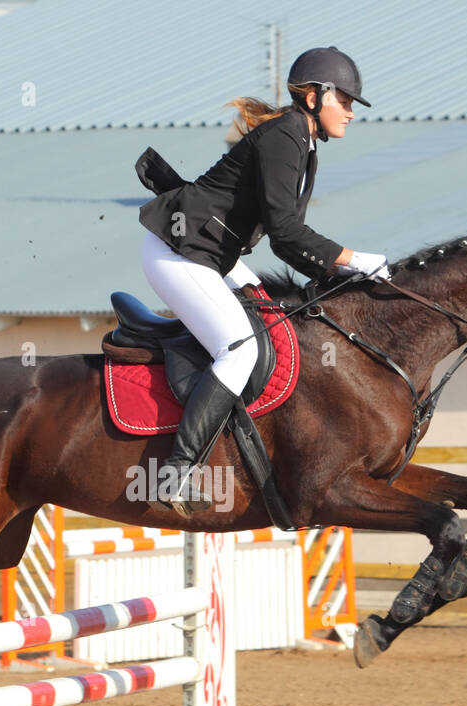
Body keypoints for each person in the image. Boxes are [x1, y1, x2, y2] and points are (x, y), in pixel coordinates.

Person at [136, 46, 390, 515]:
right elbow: (287, 234)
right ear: (316, 97)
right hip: (179, 252)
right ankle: (176, 472)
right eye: (347, 102)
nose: (352, 114)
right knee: (240, 349)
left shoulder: (303, 143)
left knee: (274, 321)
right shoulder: (287, 135)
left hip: (213, 254)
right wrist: (354, 260)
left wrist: (335, 278)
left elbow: (288, 243)